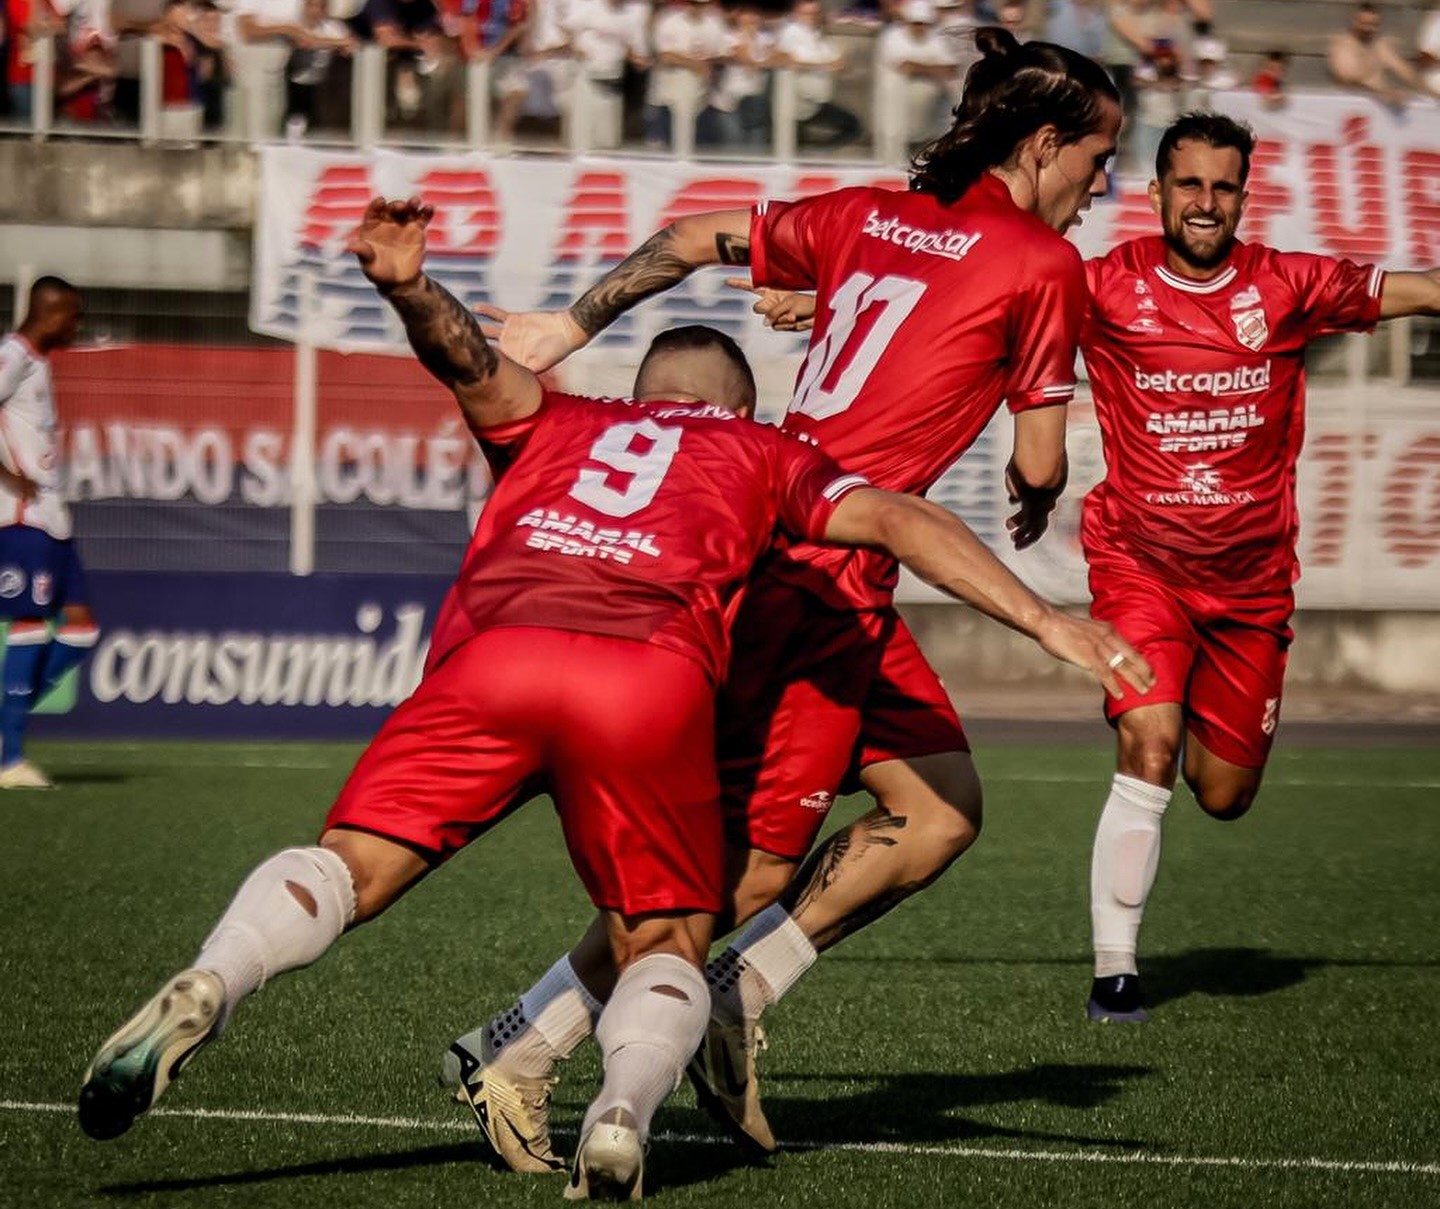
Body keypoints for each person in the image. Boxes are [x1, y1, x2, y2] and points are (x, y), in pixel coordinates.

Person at [76, 197, 1147, 1200]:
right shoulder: (764, 449)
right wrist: (1050, 619)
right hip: (645, 677)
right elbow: (907, 522)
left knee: (346, 866)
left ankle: (217, 977)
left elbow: (470, 359)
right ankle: (616, 1107)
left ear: (643, 394)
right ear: (741, 404)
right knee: (674, 936)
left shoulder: (559, 420)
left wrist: (406, 284)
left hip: (492, 659)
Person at [444, 25, 1123, 1163]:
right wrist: (1032, 488)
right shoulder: (1043, 265)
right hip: (820, 577)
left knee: (943, 805)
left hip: (803, 542)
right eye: (1099, 163)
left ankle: (739, 990)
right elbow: (1042, 459)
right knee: (738, 865)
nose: (1102, 190)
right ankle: (519, 1041)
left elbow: (692, 237)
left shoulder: (866, 216)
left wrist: (573, 324)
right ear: (1046, 143)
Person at [1080, 112, 1440, 1023]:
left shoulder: (1288, 284)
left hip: (1249, 589)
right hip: (1139, 563)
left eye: (1222, 186)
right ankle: (1115, 970)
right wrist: (819, 299)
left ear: (1244, 194)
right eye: (1189, 184)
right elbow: (973, 298)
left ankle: (1192, 712)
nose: (1205, 202)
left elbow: (1421, 290)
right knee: (1149, 746)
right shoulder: (1099, 287)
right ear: (1155, 192)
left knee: (1224, 792)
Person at [0, 277, 100, 790]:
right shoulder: (12, 355)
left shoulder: (37, 363)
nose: (76, 326)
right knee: (31, 623)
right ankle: (8, 757)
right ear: (51, 312)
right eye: (73, 315)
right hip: (20, 517)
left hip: (51, 517)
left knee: (82, 628)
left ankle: (2, 731)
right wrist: (4, 474)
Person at [1327, 1, 1419, 105]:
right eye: (1364, 24)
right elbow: (1347, 80)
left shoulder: (1380, 46)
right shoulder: (1342, 46)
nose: (1368, 29)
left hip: (1378, 106)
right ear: (1355, 21)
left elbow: (1406, 72)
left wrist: (1432, 92)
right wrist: (1382, 93)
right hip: (1352, 107)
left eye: (1373, 25)